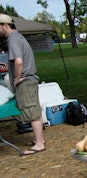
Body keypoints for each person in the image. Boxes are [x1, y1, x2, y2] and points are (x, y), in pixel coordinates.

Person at [0, 14, 46, 155]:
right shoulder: (18, 37)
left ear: (5, 25)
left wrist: (17, 79)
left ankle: (39, 144)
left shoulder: (13, 39)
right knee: (34, 109)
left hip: (25, 81)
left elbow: (18, 61)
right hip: (30, 79)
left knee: (31, 111)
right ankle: (41, 140)